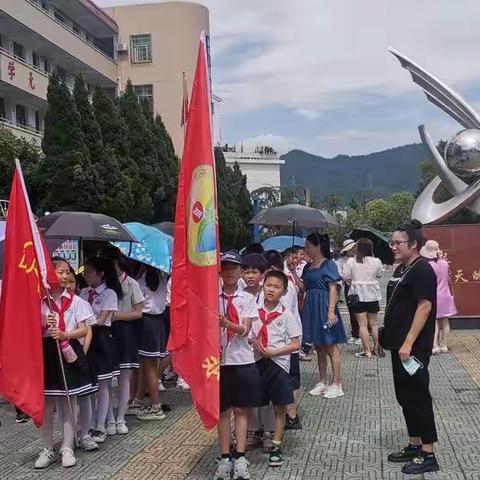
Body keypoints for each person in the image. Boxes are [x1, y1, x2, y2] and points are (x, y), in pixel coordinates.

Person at [380, 221, 439, 475]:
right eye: (392, 242)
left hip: (413, 349)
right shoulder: (403, 268)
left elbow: (424, 307)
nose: (393, 247)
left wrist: (408, 343)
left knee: (418, 397)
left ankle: (428, 453)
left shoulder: (422, 270)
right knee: (404, 397)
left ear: (413, 244)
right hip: (399, 346)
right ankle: (414, 444)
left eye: (397, 243)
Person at [34, 258, 92, 469]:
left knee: (70, 402)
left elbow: (84, 329)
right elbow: (33, 332)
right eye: (61, 272)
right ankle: (47, 448)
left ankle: (67, 447)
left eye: (68, 272)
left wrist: (66, 333)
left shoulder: (76, 301)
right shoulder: (41, 301)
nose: (66, 275)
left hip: (69, 351)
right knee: (48, 404)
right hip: (48, 353)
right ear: (50, 275)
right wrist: (45, 325)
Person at [214, 251, 261, 480]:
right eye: (225, 267)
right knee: (223, 412)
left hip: (243, 360)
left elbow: (246, 330)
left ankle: (240, 456)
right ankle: (224, 457)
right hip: (219, 362)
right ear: (220, 271)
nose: (230, 271)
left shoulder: (247, 299)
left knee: (242, 410)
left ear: (241, 271)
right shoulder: (212, 299)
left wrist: (226, 324)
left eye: (234, 267)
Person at [250, 270, 301, 467]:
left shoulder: (286, 315)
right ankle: (258, 433)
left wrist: (274, 352)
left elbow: (296, 344)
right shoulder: (253, 312)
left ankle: (276, 445)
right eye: (268, 285)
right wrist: (253, 342)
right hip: (257, 362)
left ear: (284, 291)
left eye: (277, 287)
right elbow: (248, 333)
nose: (271, 290)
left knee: (280, 407)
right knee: (257, 402)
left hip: (278, 365)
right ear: (263, 286)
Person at [102, 246, 144, 435]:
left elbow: (138, 312)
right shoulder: (103, 286)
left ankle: (121, 417)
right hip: (107, 333)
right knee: (108, 378)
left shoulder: (131, 283)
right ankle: (109, 418)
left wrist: (118, 316)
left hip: (125, 332)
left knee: (124, 376)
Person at [80, 257, 122, 445]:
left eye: (89, 271)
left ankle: (101, 426)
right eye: (85, 271)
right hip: (86, 340)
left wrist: (88, 319)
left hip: (102, 339)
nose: (86, 275)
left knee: (104, 385)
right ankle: (87, 425)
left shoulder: (109, 293)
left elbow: (100, 319)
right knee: (89, 387)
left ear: (100, 273)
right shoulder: (82, 292)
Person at [300, 233, 347, 399]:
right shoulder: (307, 267)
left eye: (308, 246)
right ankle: (322, 381)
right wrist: (291, 271)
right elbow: (304, 287)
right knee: (318, 346)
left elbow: (333, 289)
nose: (305, 249)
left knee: (331, 345)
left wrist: (331, 311)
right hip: (311, 307)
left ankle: (337, 383)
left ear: (317, 246)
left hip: (325, 306)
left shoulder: (328, 265)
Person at [264, 250, 303, 429]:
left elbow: (280, 313)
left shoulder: (283, 287)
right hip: (281, 344)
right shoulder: (287, 283)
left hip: (286, 343)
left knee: (290, 380)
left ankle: (291, 415)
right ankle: (290, 415)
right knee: (290, 380)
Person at [135, 265, 170, 420]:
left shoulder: (142, 279)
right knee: (146, 365)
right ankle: (138, 400)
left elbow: (138, 303)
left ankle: (156, 406)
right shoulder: (162, 277)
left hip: (146, 322)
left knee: (149, 367)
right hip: (158, 322)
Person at [343, 238, 383, 358]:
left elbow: (346, 276)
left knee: (362, 324)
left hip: (358, 295)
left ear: (358, 248)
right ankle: (377, 348)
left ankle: (367, 351)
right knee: (374, 324)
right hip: (373, 295)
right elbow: (379, 274)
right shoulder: (377, 261)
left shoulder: (351, 261)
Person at [420, 240, 457, 354]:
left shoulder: (427, 265)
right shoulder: (445, 264)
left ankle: (434, 346)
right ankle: (444, 345)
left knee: (434, 322)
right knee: (445, 322)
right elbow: (449, 278)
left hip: (434, 296)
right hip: (445, 295)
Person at [337, 239, 361, 345]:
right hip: (348, 286)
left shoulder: (360, 259)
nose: (353, 250)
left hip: (359, 286)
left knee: (360, 310)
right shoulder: (340, 261)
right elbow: (340, 275)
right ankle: (355, 333)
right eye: (351, 249)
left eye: (354, 248)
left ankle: (362, 333)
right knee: (352, 310)